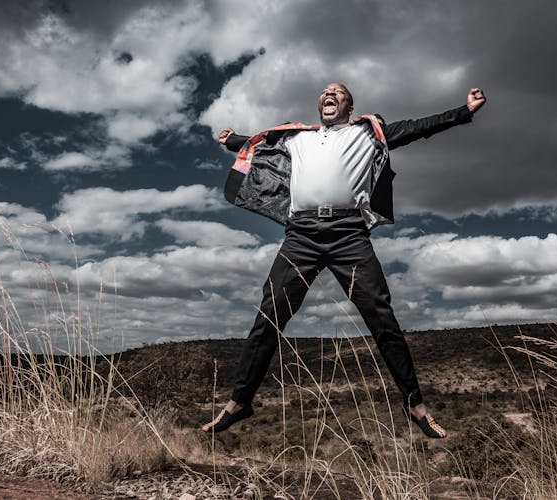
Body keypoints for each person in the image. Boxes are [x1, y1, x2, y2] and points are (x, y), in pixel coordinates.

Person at [201, 82, 486, 438]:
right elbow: (261, 143)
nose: (328, 93)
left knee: (382, 317)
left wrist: (464, 112)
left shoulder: (368, 134)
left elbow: (417, 128)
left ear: (349, 105)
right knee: (269, 314)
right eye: (324, 91)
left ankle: (415, 404)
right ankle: (240, 402)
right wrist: (232, 140)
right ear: (320, 103)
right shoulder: (297, 138)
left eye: (337, 91)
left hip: (348, 234)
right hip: (301, 235)